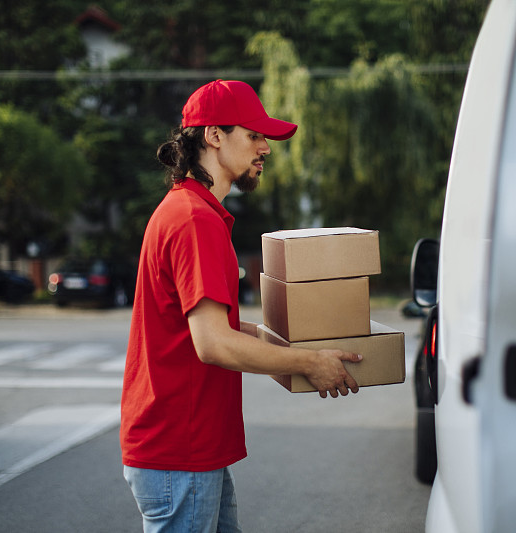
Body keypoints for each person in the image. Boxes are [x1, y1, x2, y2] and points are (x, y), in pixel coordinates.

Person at [120, 79, 362, 533]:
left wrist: (284, 356)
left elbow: (218, 328)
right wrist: (309, 361)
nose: (265, 148)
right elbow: (213, 345)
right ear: (213, 135)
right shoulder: (195, 220)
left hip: (188, 450)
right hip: (181, 452)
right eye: (253, 135)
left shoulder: (190, 210)